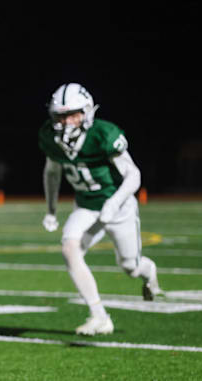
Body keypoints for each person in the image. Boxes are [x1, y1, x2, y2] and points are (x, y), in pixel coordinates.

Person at [39, 82, 164, 335]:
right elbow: (52, 173)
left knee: (130, 267)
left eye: (72, 114)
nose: (66, 123)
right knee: (70, 247)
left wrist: (113, 203)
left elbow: (134, 176)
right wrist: (51, 209)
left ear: (87, 112)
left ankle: (149, 271)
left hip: (119, 207)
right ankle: (99, 316)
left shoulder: (103, 134)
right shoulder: (51, 139)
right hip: (86, 206)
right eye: (60, 116)